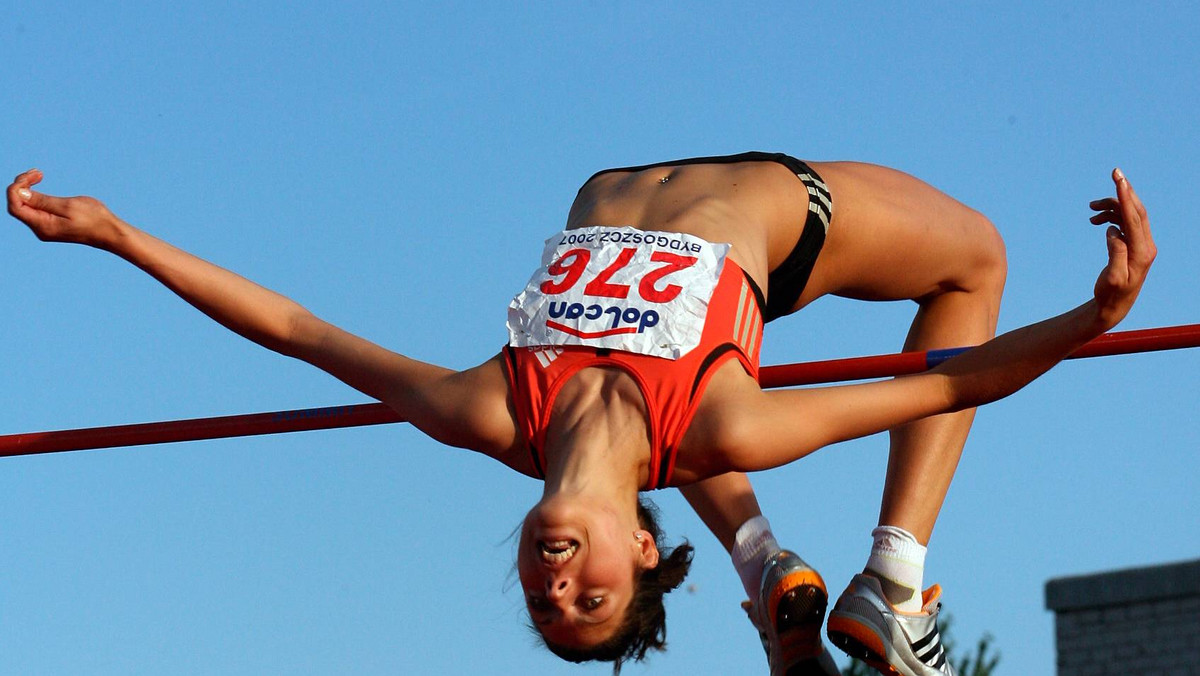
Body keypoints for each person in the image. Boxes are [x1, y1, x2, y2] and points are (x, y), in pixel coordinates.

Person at [6, 155, 1153, 676]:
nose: (559, 582)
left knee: (616, 448)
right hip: (781, 212)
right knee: (977, 263)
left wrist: (118, 236)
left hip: (618, 185)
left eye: (546, 600)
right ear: (646, 549)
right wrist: (1094, 313)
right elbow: (953, 378)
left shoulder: (488, 413)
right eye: (592, 598)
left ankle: (763, 564)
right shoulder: (729, 430)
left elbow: (301, 331)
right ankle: (893, 580)